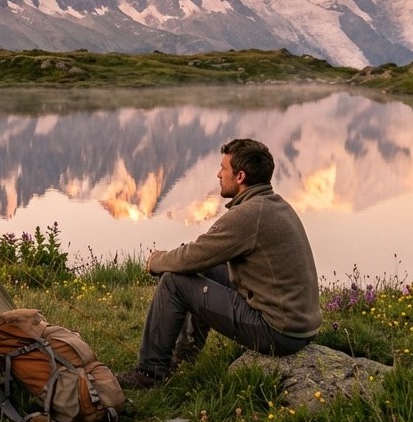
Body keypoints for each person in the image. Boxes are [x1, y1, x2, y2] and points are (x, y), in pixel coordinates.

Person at [116, 138, 322, 389]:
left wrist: (156, 261)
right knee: (207, 268)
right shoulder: (273, 204)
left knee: (173, 282)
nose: (218, 174)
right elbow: (205, 256)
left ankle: (149, 373)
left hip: (278, 333)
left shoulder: (248, 215)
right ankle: (185, 356)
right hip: (298, 324)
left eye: (223, 168)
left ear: (240, 176)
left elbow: (196, 253)